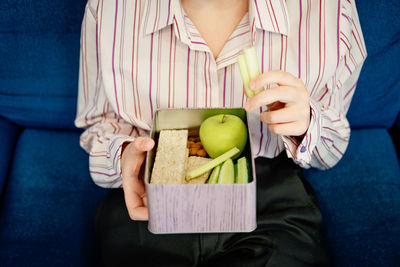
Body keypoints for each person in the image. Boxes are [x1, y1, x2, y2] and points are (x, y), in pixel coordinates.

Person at [75, 0, 366, 266]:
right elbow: (100, 123)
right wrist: (125, 155)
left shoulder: (332, 10)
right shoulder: (109, 9)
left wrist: (308, 125)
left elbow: (332, 146)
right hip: (151, 197)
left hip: (268, 201)